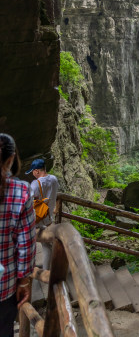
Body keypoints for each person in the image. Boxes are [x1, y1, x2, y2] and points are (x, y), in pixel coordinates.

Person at [0, 134, 36, 337]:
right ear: (11, 158)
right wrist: (23, 281)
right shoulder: (21, 190)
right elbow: (26, 244)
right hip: (4, 286)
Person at [26, 159, 58, 271]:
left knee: (27, 242)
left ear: (37, 171)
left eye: (32, 172)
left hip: (37, 221)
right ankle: (46, 270)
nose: (32, 174)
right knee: (47, 245)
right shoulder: (54, 179)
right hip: (48, 219)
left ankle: (28, 269)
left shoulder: (35, 184)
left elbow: (27, 201)